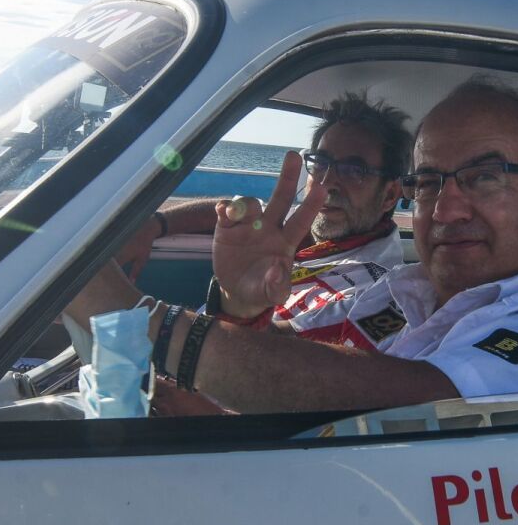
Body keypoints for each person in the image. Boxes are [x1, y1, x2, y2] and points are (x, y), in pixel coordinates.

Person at [68, 76, 518, 414]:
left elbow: (411, 405)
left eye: (485, 177)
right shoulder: (402, 293)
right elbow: (289, 354)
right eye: (431, 181)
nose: (448, 206)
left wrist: (130, 316)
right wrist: (242, 310)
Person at [105, 92, 411, 342]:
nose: (328, 181)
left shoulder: (378, 291)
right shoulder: (314, 234)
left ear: (388, 195)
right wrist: (156, 225)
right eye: (321, 163)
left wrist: (240, 310)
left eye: (354, 171)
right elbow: (235, 214)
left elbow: (275, 358)